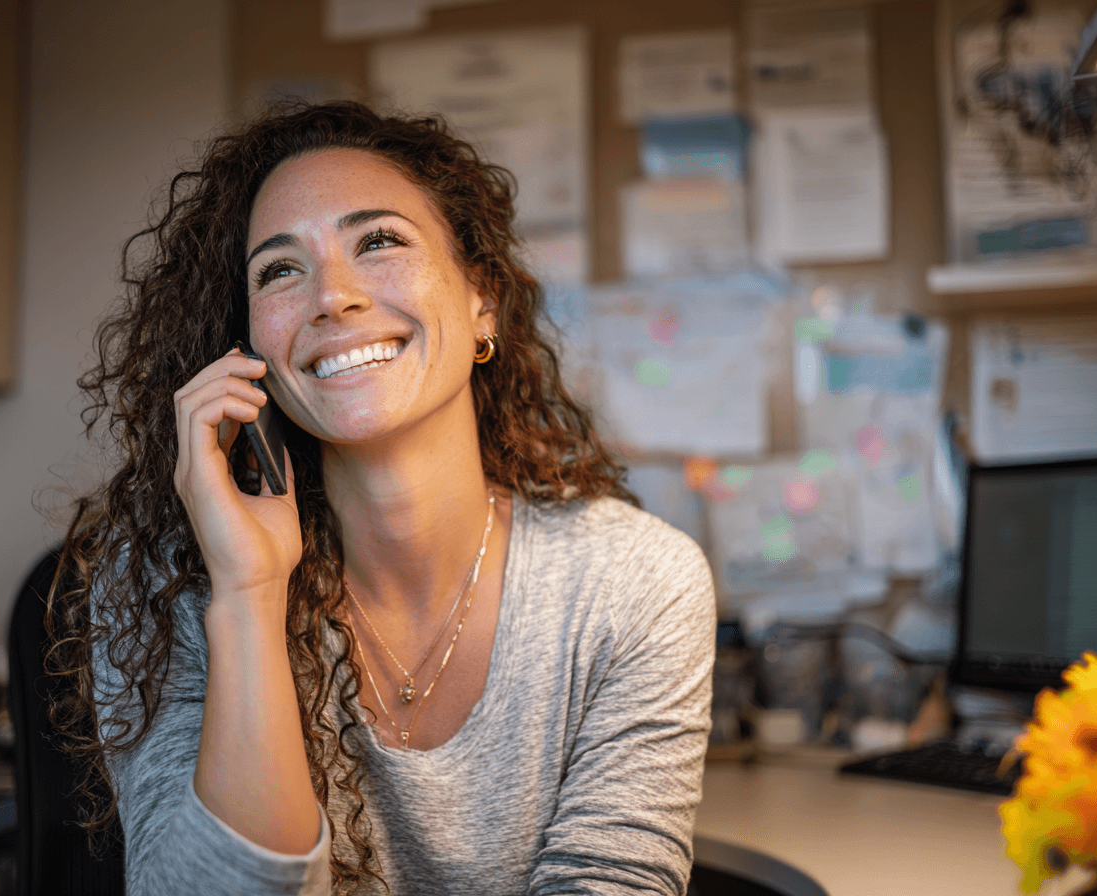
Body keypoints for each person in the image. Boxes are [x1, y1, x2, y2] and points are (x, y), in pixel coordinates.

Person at [47, 100, 716, 896]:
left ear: (482, 302)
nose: (333, 297)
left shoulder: (636, 582)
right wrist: (249, 595)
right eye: (280, 270)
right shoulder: (167, 577)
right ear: (247, 348)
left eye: (379, 241)